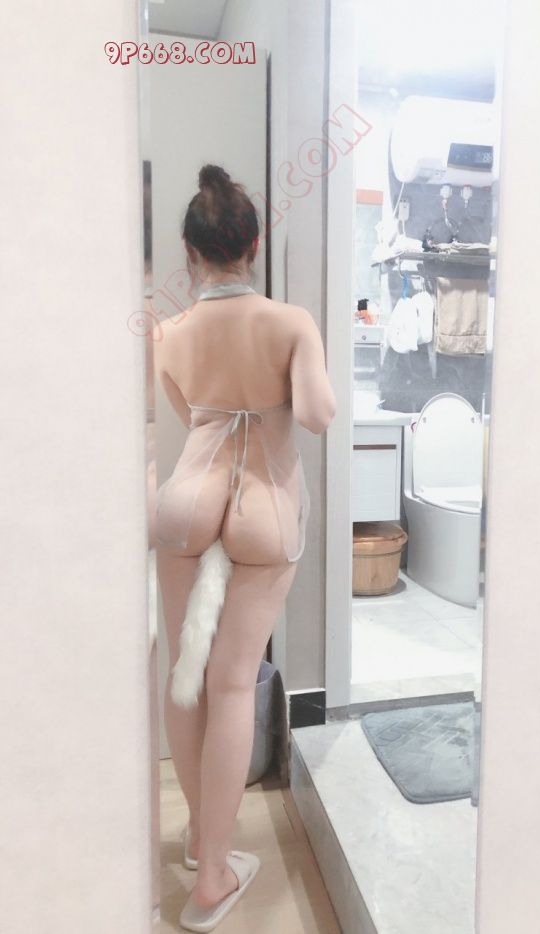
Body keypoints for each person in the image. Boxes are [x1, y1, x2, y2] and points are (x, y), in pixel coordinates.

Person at [154, 164, 335, 932]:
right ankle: (212, 879)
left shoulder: (167, 332)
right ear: (254, 246)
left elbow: (186, 409)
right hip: (264, 508)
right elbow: (318, 415)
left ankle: (203, 839)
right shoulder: (291, 322)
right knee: (232, 686)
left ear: (190, 253)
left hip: (185, 502)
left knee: (184, 675)